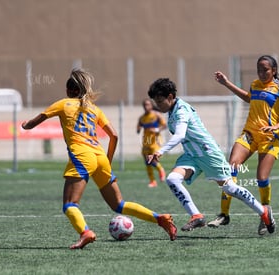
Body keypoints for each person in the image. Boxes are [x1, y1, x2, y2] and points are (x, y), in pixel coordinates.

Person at [21, 69, 177, 249]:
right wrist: (108, 160)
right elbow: (114, 136)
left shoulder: (63, 104)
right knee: (119, 204)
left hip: (82, 156)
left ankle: (86, 233)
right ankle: (161, 219)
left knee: (70, 204)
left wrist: (25, 124)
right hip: (100, 156)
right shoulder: (94, 109)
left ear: (69, 90)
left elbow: (33, 123)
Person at [147, 78, 275, 233]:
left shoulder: (181, 110)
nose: (157, 106)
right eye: (156, 102)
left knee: (229, 188)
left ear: (170, 97)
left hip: (208, 153)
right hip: (192, 155)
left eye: (160, 101)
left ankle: (264, 212)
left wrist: (160, 151)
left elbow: (180, 135)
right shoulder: (172, 110)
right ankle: (196, 216)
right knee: (172, 179)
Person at [209, 55, 279, 235]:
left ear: (274, 70)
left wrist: (275, 127)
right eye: (259, 69)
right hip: (249, 134)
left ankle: (265, 215)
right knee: (229, 169)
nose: (262, 73)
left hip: (269, 137)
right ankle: (224, 214)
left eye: (266, 70)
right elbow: (249, 98)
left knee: (261, 178)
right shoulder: (255, 84)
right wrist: (227, 83)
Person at [136, 98, 167, 188]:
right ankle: (153, 181)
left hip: (155, 141)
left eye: (148, 104)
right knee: (147, 162)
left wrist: (157, 129)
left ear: (151, 105)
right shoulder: (142, 118)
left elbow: (164, 125)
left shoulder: (156, 115)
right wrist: (138, 128)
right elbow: (138, 129)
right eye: (144, 105)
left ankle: (161, 170)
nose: (146, 106)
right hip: (146, 141)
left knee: (153, 159)